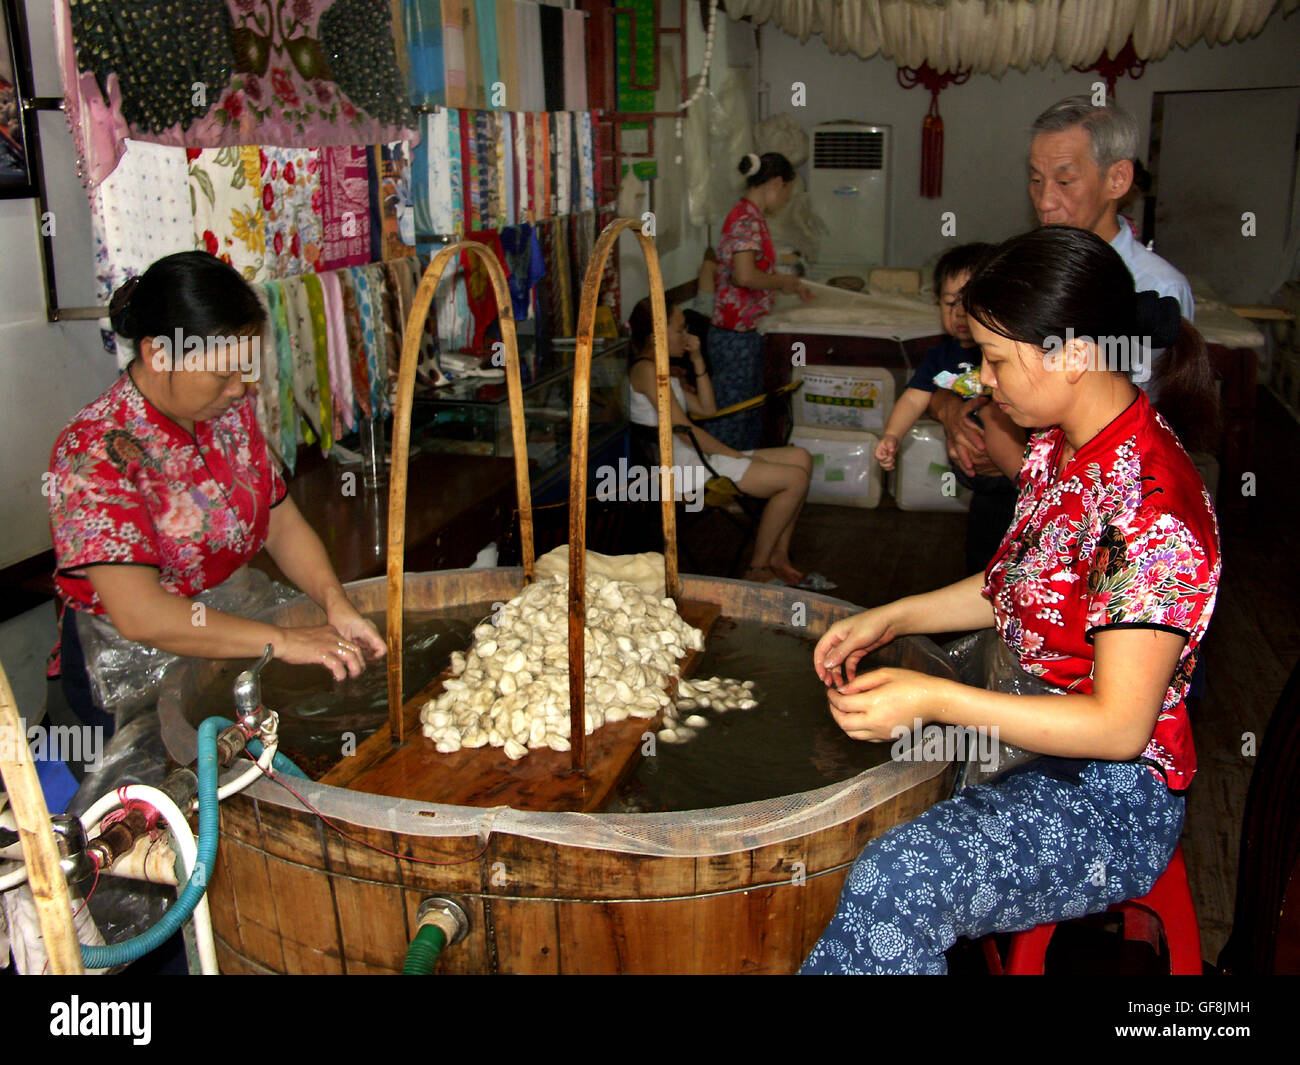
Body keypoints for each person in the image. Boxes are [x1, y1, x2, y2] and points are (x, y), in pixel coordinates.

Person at [800, 226, 1221, 974]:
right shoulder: (1064, 445)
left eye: (995, 360)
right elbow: (1013, 588)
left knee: (898, 879)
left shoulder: (1149, 510)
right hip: (1027, 732)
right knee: (835, 792)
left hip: (1107, 795)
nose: (983, 381)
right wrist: (890, 614)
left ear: (1074, 354)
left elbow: (1120, 725)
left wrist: (937, 699)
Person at [49, 252, 387, 738]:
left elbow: (280, 522)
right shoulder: (95, 450)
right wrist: (282, 641)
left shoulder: (227, 413)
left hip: (234, 620)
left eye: (245, 370)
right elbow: (140, 614)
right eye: (223, 373)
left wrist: (334, 602)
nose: (240, 388)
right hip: (132, 664)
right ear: (156, 353)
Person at [932, 94, 1196, 486]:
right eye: (1035, 180)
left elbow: (1136, 426)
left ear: (1117, 178)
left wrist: (1019, 461)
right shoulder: (1026, 266)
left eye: (1064, 180)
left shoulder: (1156, 287)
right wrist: (952, 410)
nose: (1044, 200)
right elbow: (961, 367)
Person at [628, 296, 813, 587]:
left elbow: (707, 410)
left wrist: (698, 359)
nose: (687, 336)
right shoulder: (647, 371)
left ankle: (778, 555)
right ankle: (758, 566)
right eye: (680, 330)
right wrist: (738, 457)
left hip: (693, 455)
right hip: (682, 470)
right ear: (656, 337)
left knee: (801, 457)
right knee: (795, 479)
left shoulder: (661, 371)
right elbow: (683, 428)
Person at [875, 244, 1020, 573]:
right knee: (982, 558)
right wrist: (892, 435)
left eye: (968, 301)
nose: (958, 312)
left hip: (1017, 480)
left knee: (1016, 554)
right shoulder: (939, 357)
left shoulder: (1008, 352)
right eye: (949, 302)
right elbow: (915, 397)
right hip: (980, 482)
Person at [708, 151, 813, 451]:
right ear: (777, 184)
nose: (785, 200)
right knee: (734, 417)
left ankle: (745, 482)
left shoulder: (751, 216)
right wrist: (781, 281)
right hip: (734, 337)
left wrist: (788, 283)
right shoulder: (746, 219)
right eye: (788, 193)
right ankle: (722, 485)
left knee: (749, 413)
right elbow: (744, 276)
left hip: (744, 333)